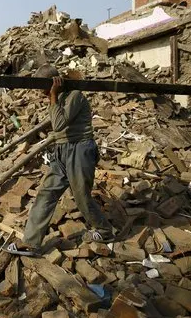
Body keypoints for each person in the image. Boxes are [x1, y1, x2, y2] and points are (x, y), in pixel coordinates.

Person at [7, 64, 114, 256]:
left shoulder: (75, 96)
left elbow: (58, 124)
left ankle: (105, 231)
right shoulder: (57, 98)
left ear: (54, 83)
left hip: (79, 149)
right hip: (62, 151)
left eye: (44, 89)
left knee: (81, 196)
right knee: (46, 193)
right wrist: (52, 97)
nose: (41, 94)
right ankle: (31, 242)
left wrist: (53, 96)